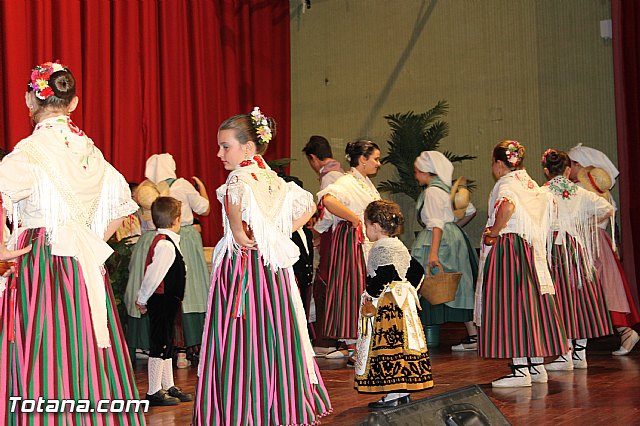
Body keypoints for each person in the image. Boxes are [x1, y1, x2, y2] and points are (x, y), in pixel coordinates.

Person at [0, 61, 145, 424]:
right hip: (81, 264)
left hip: (41, 261)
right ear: (74, 103)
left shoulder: (28, 152)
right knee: (84, 345)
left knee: (43, 343)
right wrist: (91, 240)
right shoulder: (91, 153)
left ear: (29, 100)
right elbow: (124, 203)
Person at [193, 107, 331, 425]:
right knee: (273, 333)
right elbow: (308, 205)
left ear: (249, 147)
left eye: (225, 146)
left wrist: (245, 235)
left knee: (241, 336)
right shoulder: (272, 179)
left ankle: (240, 406)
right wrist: (278, 232)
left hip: (242, 270)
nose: (219, 153)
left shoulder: (238, 180)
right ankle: (277, 402)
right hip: (272, 271)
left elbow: (238, 229)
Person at [475, 140, 568, 388]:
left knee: (510, 305)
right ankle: (536, 367)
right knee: (529, 305)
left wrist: (493, 232)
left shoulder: (506, 183)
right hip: (529, 249)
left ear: (497, 163)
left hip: (509, 249)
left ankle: (520, 370)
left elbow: (507, 206)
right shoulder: (530, 183)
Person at [124, 153, 211, 364]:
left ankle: (148, 348)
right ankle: (184, 350)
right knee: (188, 292)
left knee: (154, 286)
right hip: (182, 239)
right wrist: (202, 189)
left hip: (148, 241)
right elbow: (204, 208)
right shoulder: (182, 185)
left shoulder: (145, 190)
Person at [540, 149, 614, 371]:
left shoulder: (541, 193)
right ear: (568, 169)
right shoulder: (578, 191)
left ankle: (566, 353)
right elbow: (607, 208)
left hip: (552, 248)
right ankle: (579, 353)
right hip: (575, 248)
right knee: (580, 297)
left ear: (546, 171)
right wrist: (585, 221)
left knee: (560, 298)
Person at [355, 200, 433, 409]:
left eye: (367, 224)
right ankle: (401, 392)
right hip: (402, 307)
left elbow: (386, 273)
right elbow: (417, 272)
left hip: (387, 309)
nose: (365, 229)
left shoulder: (381, 248)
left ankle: (393, 394)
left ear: (377, 226)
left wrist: (371, 295)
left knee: (389, 349)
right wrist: (407, 290)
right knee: (402, 348)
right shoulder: (398, 245)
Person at [568, 144, 640, 356]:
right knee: (602, 289)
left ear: (579, 165)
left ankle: (624, 332)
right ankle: (622, 332)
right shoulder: (591, 189)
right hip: (593, 241)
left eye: (571, 164)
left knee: (599, 289)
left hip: (591, 243)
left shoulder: (585, 189)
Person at [316, 140, 382, 360]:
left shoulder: (364, 183)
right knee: (353, 291)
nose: (378, 164)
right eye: (375, 159)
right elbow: (328, 199)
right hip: (352, 244)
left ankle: (361, 342)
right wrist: (354, 219)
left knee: (366, 291)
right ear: (362, 159)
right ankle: (354, 345)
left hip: (367, 243)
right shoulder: (347, 181)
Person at [411, 151, 479, 352]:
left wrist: (433, 253)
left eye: (417, 172)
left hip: (438, 239)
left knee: (433, 284)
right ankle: (473, 335)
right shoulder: (448, 188)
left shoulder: (432, 191)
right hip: (456, 239)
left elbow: (436, 223)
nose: (415, 176)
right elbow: (470, 210)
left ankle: (421, 338)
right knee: (460, 284)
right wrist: (455, 226)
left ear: (425, 172)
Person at [135, 196, 193, 406]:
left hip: (169, 302)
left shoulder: (168, 242)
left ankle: (167, 386)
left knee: (167, 344)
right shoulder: (165, 246)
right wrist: (142, 298)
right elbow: (153, 276)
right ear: (176, 220)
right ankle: (153, 391)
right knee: (159, 344)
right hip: (161, 301)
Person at [302, 135, 345, 350]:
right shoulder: (341, 174)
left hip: (335, 235)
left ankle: (326, 340)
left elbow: (329, 213)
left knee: (324, 288)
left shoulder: (329, 178)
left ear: (312, 158)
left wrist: (316, 233)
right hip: (340, 233)